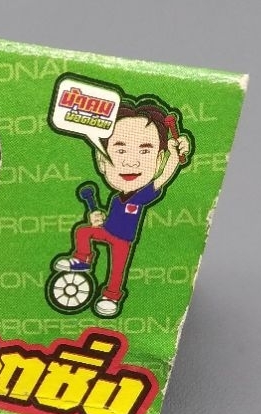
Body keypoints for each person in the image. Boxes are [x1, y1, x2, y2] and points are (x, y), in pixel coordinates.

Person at [54, 103, 191, 317]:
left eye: (144, 151)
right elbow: (113, 218)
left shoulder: (141, 195)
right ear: (102, 160)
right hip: (108, 231)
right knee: (83, 231)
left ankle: (111, 296)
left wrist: (174, 157)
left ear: (159, 160)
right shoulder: (117, 197)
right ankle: (82, 259)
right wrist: (99, 219)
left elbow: (162, 179)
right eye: (120, 150)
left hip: (123, 241)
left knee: (117, 270)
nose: (130, 162)